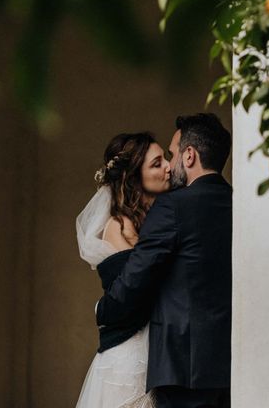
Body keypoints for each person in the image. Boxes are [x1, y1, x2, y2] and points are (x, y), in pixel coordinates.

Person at [96, 113, 233, 408]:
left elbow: (135, 279)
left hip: (181, 366)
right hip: (230, 365)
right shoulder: (237, 203)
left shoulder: (173, 206)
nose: (170, 165)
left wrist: (101, 310)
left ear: (190, 154)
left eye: (171, 154)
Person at [76, 132, 171, 408]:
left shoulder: (151, 219)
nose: (167, 166)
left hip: (152, 354)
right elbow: (136, 293)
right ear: (133, 177)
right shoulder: (120, 226)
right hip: (130, 359)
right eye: (156, 163)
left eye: (165, 158)